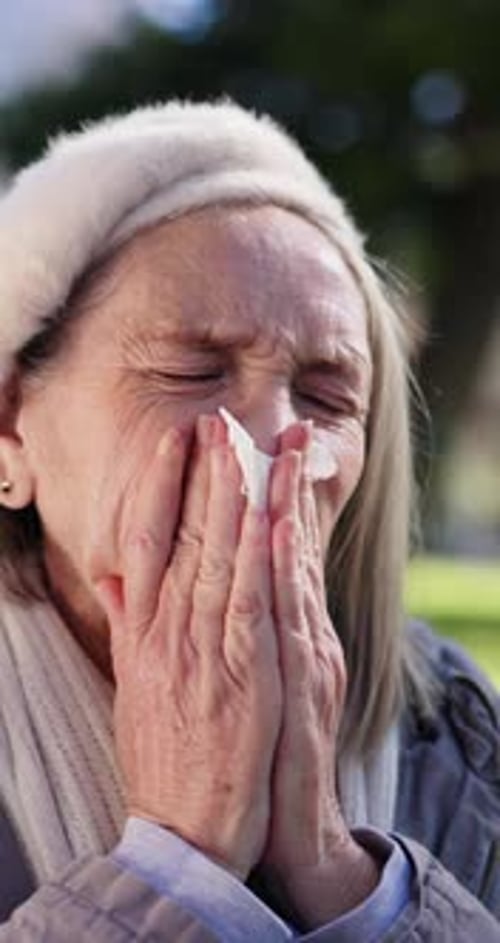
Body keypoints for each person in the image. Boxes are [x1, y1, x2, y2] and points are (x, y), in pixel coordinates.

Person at [0, 99, 497, 942]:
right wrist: (177, 864)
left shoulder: (452, 731)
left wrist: (336, 870)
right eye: (192, 370)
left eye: (326, 394)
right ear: (11, 428)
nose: (273, 436)